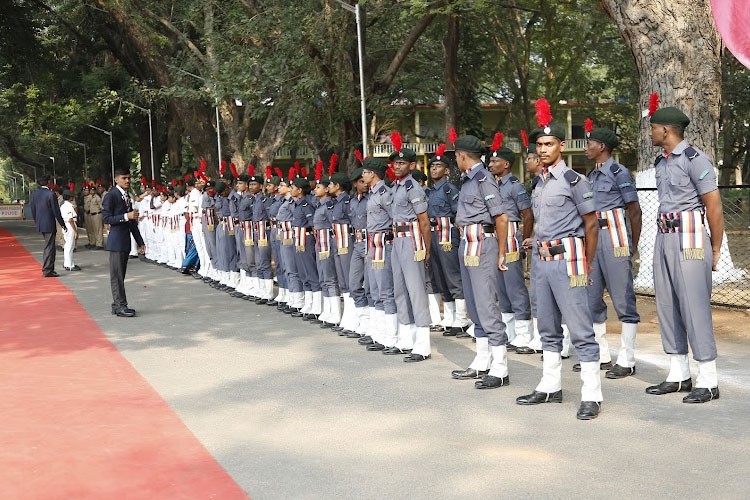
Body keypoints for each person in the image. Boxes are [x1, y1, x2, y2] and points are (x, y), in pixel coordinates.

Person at [515, 102, 603, 420]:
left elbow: (591, 224)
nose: (543, 149)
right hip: (541, 261)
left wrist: (588, 263)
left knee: (580, 328)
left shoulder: (575, 180)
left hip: (569, 260)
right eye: (539, 145)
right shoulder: (539, 182)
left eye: (549, 144)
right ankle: (550, 385)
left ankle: (592, 393)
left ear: (561, 146)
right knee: (548, 327)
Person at [646, 106, 724, 403]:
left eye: (653, 127)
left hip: (690, 238)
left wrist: (715, 248)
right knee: (668, 305)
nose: (650, 132)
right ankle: (679, 375)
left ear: (665, 130)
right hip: (664, 237)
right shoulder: (661, 161)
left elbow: (713, 207)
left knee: (694, 306)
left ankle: (708, 380)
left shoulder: (695, 159)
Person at [448, 135, 511, 387]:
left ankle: (500, 367)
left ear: (463, 155)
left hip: (483, 243)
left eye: (456, 155)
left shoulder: (484, 179)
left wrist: (502, 252)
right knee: (474, 305)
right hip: (467, 243)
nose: (455, 159)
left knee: (486, 304)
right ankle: (482, 360)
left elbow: (502, 218)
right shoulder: (467, 181)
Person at [584, 123, 641, 378]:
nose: (587, 148)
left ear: (602, 147)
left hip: (616, 236)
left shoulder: (619, 172)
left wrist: (633, 245)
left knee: (622, 298)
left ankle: (627, 359)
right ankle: (602, 354)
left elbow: (634, 210)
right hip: (595, 237)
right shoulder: (592, 175)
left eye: (590, 144)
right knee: (593, 297)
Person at [486, 136, 535, 354]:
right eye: (490, 161)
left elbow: (527, 214)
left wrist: (524, 236)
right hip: (494, 236)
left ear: (506, 164)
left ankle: (524, 333)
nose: (490, 165)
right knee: (501, 286)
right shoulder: (491, 185)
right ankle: (510, 332)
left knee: (514, 284)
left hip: (511, 235)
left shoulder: (515, 186)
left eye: (495, 161)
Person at [424, 148, 470, 337]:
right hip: (432, 235)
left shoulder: (450, 189)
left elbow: (457, 212)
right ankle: (449, 317)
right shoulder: (427, 191)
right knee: (439, 276)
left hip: (447, 235)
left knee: (452, 275)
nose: (434, 169)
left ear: (447, 171)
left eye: (438, 166)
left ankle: (462, 318)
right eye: (432, 166)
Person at [102, 168, 145, 317]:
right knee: (117, 276)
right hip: (116, 241)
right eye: (124, 178)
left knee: (120, 275)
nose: (127, 181)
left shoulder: (126, 196)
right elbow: (106, 219)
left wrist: (140, 241)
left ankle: (118, 304)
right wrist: (126, 216)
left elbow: (132, 221)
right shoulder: (111, 196)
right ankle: (120, 305)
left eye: (129, 178)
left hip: (125, 240)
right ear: (116, 179)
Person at [29, 175, 66, 277]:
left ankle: (48, 268)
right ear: (48, 182)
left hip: (41, 223)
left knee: (48, 245)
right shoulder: (50, 194)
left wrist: (37, 221)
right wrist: (62, 224)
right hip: (49, 223)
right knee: (50, 247)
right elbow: (56, 211)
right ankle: (48, 270)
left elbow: (33, 209)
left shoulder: (34, 194)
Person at [61, 190, 81, 271]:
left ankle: (67, 263)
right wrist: (76, 231)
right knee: (70, 245)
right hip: (70, 225)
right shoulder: (68, 206)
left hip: (66, 225)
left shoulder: (63, 205)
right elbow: (70, 219)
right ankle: (70, 265)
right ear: (70, 197)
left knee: (68, 245)